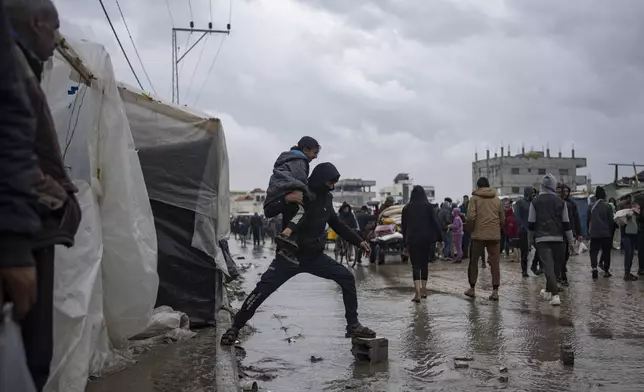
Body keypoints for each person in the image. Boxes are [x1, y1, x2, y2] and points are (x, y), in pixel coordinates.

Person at [5, 0, 82, 389]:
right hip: (22, 231)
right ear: (36, 23)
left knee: (28, 356)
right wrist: (14, 245)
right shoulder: (10, 63)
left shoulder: (20, 64)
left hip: (28, 226)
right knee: (26, 358)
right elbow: (10, 146)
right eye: (54, 30)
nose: (57, 41)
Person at [220, 163, 375, 345]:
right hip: (288, 257)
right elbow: (269, 211)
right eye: (330, 182)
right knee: (262, 291)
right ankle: (235, 328)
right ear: (320, 179)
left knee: (347, 278)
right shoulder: (299, 193)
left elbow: (338, 224)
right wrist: (286, 199)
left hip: (315, 257)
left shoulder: (327, 199)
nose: (332, 186)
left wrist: (359, 241)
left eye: (335, 183)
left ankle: (353, 325)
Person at [264, 136, 321, 263]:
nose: (315, 157)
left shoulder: (289, 159)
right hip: (285, 190)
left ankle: (285, 249)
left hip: (278, 192)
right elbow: (299, 180)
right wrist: (307, 193)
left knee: (292, 213)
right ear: (306, 150)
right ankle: (285, 237)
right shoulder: (300, 160)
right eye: (315, 152)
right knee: (300, 213)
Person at [528, 174, 573, 306]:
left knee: (548, 267)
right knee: (554, 268)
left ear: (542, 186)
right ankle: (548, 291)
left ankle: (555, 295)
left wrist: (529, 240)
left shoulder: (535, 202)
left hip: (542, 239)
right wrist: (570, 241)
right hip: (559, 239)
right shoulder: (561, 202)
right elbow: (566, 224)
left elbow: (531, 224)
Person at [464, 177, 504, 301]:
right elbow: (502, 218)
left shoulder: (474, 199)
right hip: (494, 236)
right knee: (495, 263)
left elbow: (470, 217)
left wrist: (470, 229)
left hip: (478, 236)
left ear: (478, 186)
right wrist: (497, 229)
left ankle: (472, 289)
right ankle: (495, 291)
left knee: (474, 261)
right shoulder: (497, 200)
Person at [401, 185, 442, 302]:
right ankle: (424, 290)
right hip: (427, 240)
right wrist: (440, 238)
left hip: (412, 240)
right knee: (424, 265)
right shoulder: (429, 207)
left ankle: (417, 293)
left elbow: (404, 227)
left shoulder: (406, 208)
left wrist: (405, 244)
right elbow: (435, 223)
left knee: (415, 266)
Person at [588, 186, 615, 279]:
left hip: (594, 233)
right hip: (606, 233)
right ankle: (606, 271)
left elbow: (588, 220)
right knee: (606, 251)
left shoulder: (591, 206)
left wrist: (589, 232)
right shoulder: (608, 206)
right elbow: (611, 221)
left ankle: (594, 268)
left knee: (593, 251)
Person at [559, 184, 582, 285]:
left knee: (566, 255)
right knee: (560, 255)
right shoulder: (556, 203)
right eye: (563, 191)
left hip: (569, 231)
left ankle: (562, 269)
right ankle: (562, 275)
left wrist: (579, 233)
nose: (565, 193)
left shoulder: (571, 204)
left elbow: (576, 219)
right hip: (558, 232)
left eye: (567, 191)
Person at [514, 187, 533, 277]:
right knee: (525, 252)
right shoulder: (520, 203)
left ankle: (536, 267)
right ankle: (524, 270)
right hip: (524, 231)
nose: (532, 194)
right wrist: (522, 226)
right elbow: (517, 216)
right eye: (531, 192)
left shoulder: (533, 203)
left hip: (534, 230)